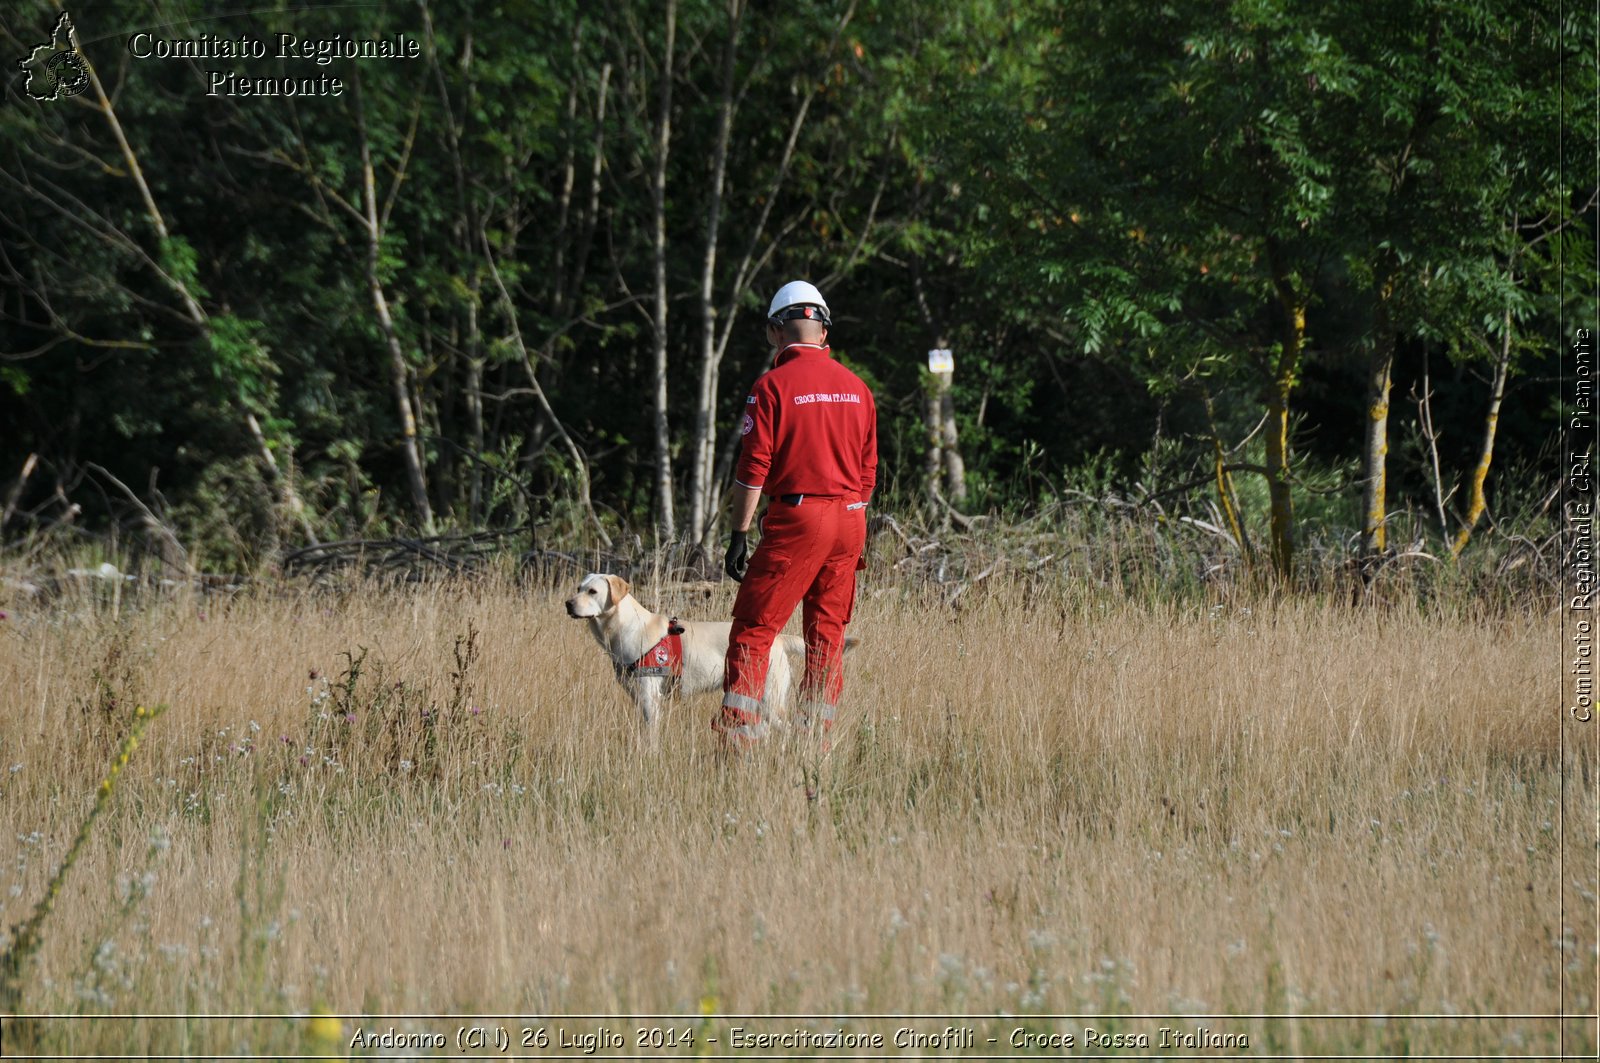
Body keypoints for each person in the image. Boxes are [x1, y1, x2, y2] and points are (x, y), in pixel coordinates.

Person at [716, 280, 877, 752]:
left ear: (775, 333)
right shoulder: (857, 388)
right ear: (824, 333)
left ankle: (739, 739)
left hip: (800, 517)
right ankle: (815, 743)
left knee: (755, 625)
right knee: (827, 632)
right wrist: (848, 510)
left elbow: (753, 472)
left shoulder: (771, 386)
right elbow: (868, 470)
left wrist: (739, 533)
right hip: (851, 517)